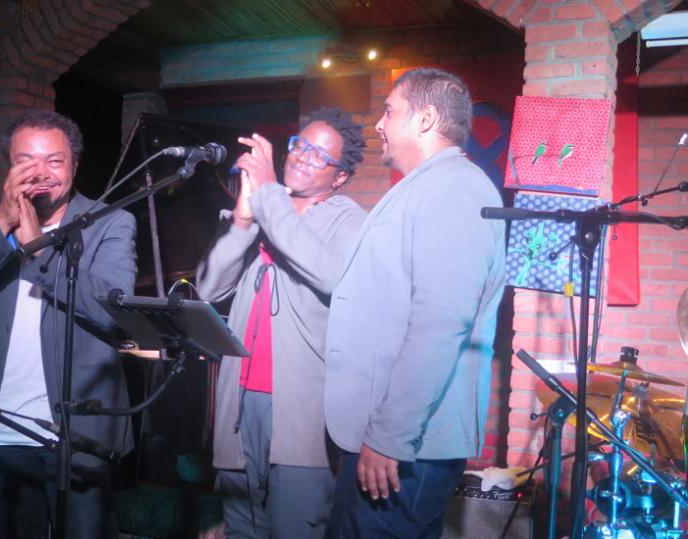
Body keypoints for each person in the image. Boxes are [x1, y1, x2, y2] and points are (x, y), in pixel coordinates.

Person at [0, 109, 136, 538]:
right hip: (0, 432)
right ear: (10, 166)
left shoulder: (109, 222)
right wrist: (4, 224)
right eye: (26, 160)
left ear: (75, 166)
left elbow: (113, 313)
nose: (40, 172)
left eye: (55, 161)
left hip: (79, 435)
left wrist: (39, 252)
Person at [324, 68, 507, 538]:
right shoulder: (427, 185)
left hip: (405, 452)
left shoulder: (454, 188)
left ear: (425, 119)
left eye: (390, 111)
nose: (379, 125)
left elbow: (439, 323)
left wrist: (389, 437)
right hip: (392, 443)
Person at [197, 107, 366, 538]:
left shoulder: (350, 220)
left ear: (340, 177)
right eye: (300, 145)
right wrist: (241, 221)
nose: (303, 157)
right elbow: (207, 290)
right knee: (241, 528)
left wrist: (269, 195)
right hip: (239, 404)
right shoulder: (261, 212)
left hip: (299, 413)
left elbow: (327, 271)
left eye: (319, 156)